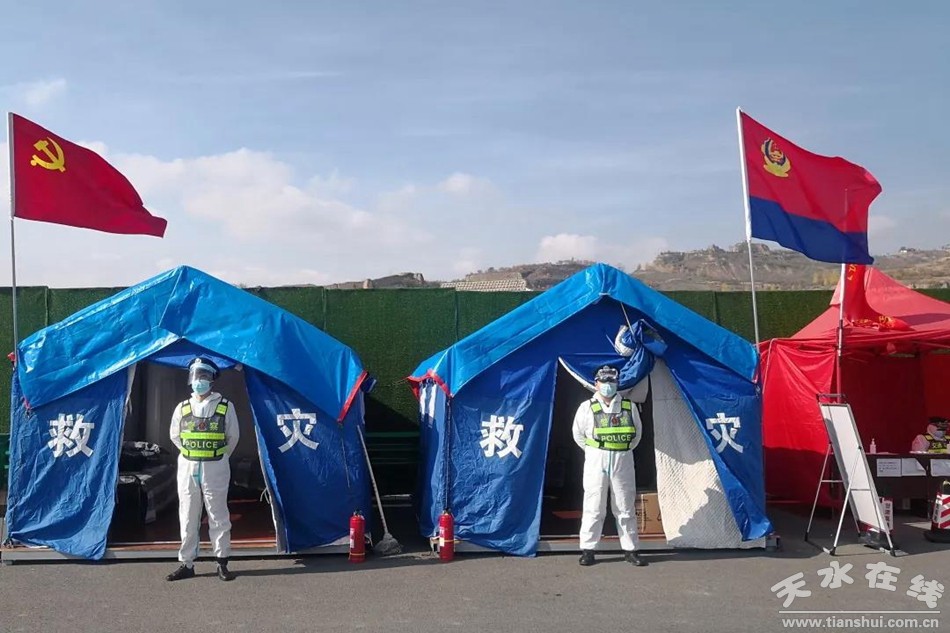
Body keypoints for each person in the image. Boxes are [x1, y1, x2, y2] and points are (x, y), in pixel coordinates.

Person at [165, 357, 240, 582]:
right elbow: (175, 435)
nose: (199, 380)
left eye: (204, 376)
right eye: (196, 376)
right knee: (187, 514)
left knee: (218, 513)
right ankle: (187, 563)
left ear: (212, 379)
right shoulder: (182, 407)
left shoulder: (225, 406)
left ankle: (222, 561)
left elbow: (233, 437)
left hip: (215, 466)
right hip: (188, 466)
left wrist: (217, 456)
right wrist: (191, 453)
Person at [572, 364, 647, 567]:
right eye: (604, 381)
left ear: (617, 383)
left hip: (623, 458)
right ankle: (588, 550)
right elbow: (578, 434)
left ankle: (631, 550)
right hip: (596, 459)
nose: (608, 385)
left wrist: (620, 449)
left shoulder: (629, 407)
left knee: (625, 505)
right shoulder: (586, 407)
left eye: (611, 381)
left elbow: (637, 435)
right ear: (596, 384)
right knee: (594, 505)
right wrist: (596, 451)